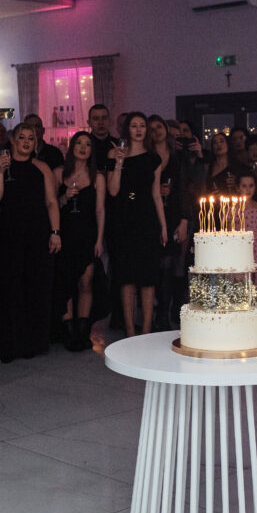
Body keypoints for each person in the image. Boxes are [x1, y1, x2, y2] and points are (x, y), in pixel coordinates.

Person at [0, 122, 61, 362]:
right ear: (13, 140)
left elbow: (52, 202)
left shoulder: (42, 167)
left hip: (38, 234)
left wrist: (56, 232)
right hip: (8, 235)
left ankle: (32, 343)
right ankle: (10, 345)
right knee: (9, 289)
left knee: (35, 287)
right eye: (22, 137)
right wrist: (0, 171)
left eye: (31, 138)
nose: (27, 142)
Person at [107, 111, 168, 336]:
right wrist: (119, 163)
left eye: (142, 125)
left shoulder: (153, 158)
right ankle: (131, 330)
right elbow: (113, 191)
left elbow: (156, 195)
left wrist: (163, 226)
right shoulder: (115, 153)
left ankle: (147, 329)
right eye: (134, 125)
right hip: (124, 218)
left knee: (148, 277)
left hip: (146, 218)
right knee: (127, 277)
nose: (139, 129)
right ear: (127, 129)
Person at [53, 131, 107, 350]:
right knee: (65, 281)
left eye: (87, 144)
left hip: (87, 234)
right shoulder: (59, 173)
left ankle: (83, 331)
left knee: (86, 282)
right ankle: (68, 331)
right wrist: (64, 198)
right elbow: (50, 205)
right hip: (64, 234)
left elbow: (100, 210)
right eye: (79, 143)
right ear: (72, 147)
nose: (83, 147)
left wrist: (99, 240)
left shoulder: (98, 178)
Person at [150, 115, 189, 330]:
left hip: (174, 212)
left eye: (159, 127)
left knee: (172, 263)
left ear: (165, 129)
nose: (156, 131)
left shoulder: (178, 156)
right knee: (157, 264)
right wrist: (155, 190)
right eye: (151, 128)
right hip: (152, 214)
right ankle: (159, 312)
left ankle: (168, 312)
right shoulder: (147, 156)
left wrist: (184, 220)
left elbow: (185, 189)